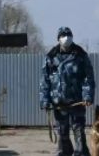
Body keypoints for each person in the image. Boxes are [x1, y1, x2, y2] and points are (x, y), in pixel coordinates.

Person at [39, 27, 95, 156]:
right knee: (62, 132)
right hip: (59, 102)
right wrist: (45, 100)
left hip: (77, 101)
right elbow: (45, 80)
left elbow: (88, 77)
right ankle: (64, 152)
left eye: (68, 35)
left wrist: (87, 95)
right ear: (58, 38)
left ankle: (81, 153)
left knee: (79, 131)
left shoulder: (80, 55)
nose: (66, 37)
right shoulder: (51, 56)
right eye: (63, 35)